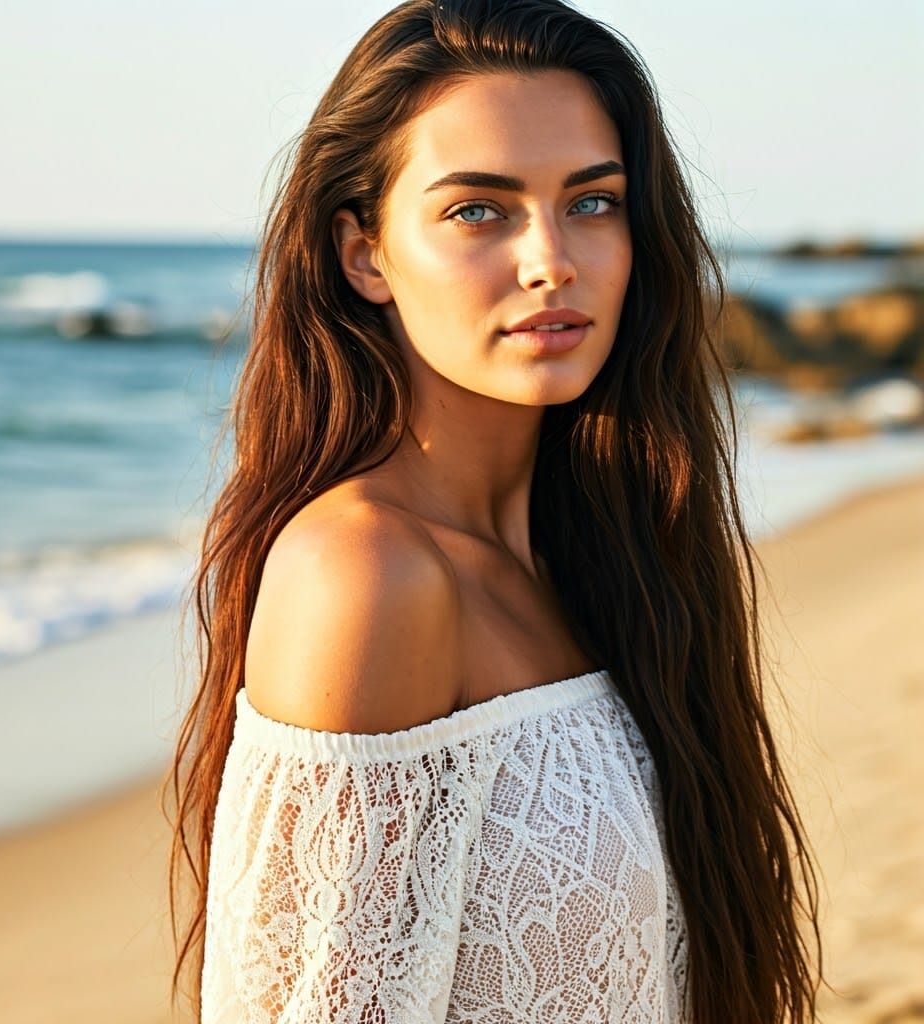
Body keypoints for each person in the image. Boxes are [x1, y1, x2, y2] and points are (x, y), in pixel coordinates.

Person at [163, 1, 824, 1021]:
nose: (551, 259)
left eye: (592, 203)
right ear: (363, 254)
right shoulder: (365, 574)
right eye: (480, 209)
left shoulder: (600, 562)